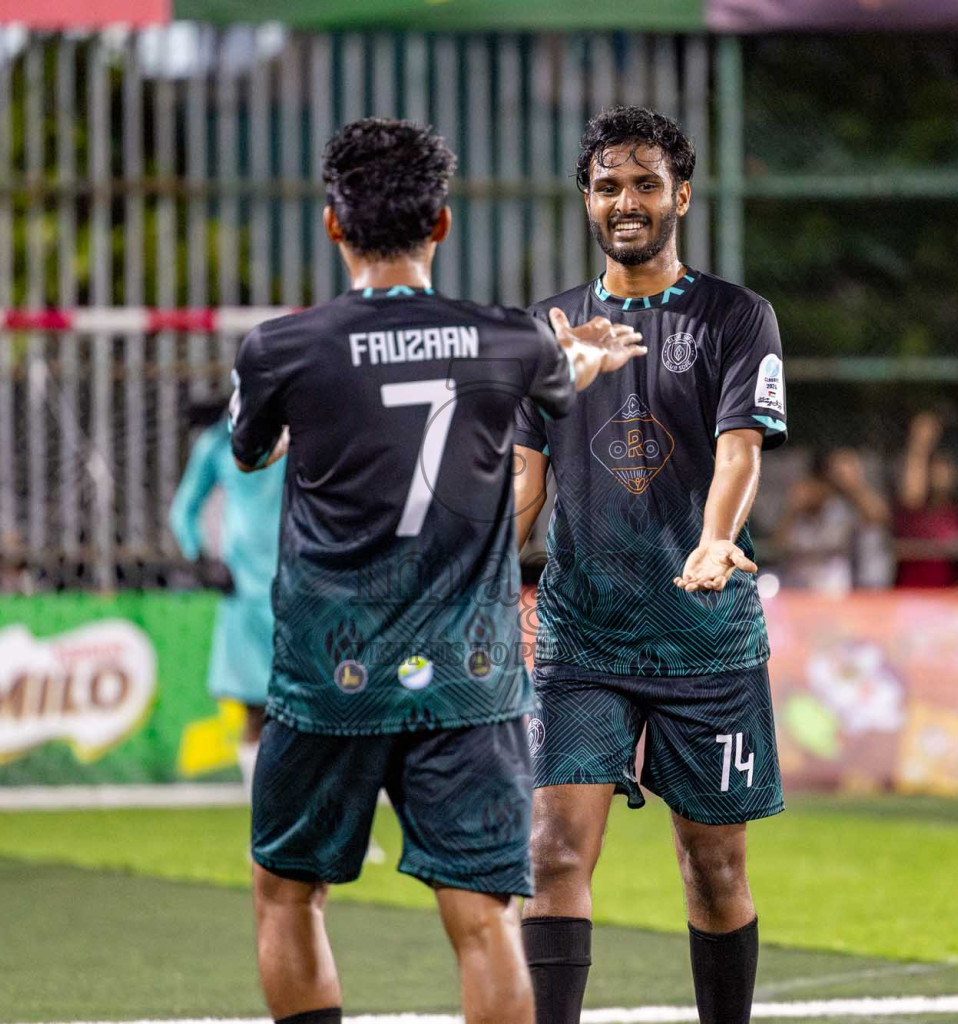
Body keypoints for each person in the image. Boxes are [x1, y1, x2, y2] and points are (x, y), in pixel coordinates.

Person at [234, 117, 645, 1024]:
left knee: (287, 894)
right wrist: (583, 352)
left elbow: (252, 452)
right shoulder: (510, 341)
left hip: (327, 676)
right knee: (483, 921)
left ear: (334, 225)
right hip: (470, 674)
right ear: (444, 224)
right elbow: (553, 376)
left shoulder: (282, 348)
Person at [513, 105, 785, 1024]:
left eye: (644, 185)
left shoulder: (737, 318)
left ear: (682, 196)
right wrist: (486, 563)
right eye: (607, 186)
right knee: (551, 853)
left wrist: (717, 537)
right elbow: (523, 487)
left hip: (704, 636)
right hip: (581, 633)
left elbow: (741, 449)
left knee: (713, 869)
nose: (626, 202)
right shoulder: (546, 331)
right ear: (585, 199)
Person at [170, 397, 286, 795]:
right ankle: (264, 827)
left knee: (322, 716)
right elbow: (184, 509)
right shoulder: (218, 443)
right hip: (245, 594)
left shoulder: (302, 433)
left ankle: (333, 831)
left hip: (303, 587)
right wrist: (202, 558)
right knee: (256, 713)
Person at [774, 448, 890, 593]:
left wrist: (854, 486)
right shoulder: (797, 513)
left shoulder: (840, 508)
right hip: (799, 591)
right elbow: (778, 545)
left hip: (837, 592)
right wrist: (791, 510)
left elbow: (879, 517)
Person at [893, 412, 958, 588]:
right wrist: (920, 445)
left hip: (949, 596)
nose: (940, 474)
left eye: (946, 468)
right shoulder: (913, 513)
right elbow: (912, 496)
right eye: (935, 468)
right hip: (911, 594)